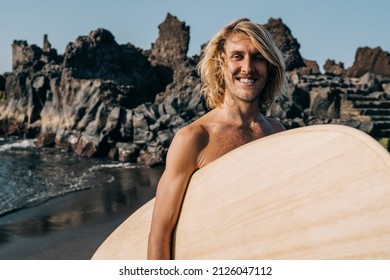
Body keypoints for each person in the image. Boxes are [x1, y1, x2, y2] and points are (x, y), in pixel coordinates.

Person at [147, 18, 288, 259]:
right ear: (221, 64)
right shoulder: (194, 138)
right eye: (237, 56)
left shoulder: (277, 133)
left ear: (269, 67)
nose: (247, 67)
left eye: (257, 57)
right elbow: (160, 233)